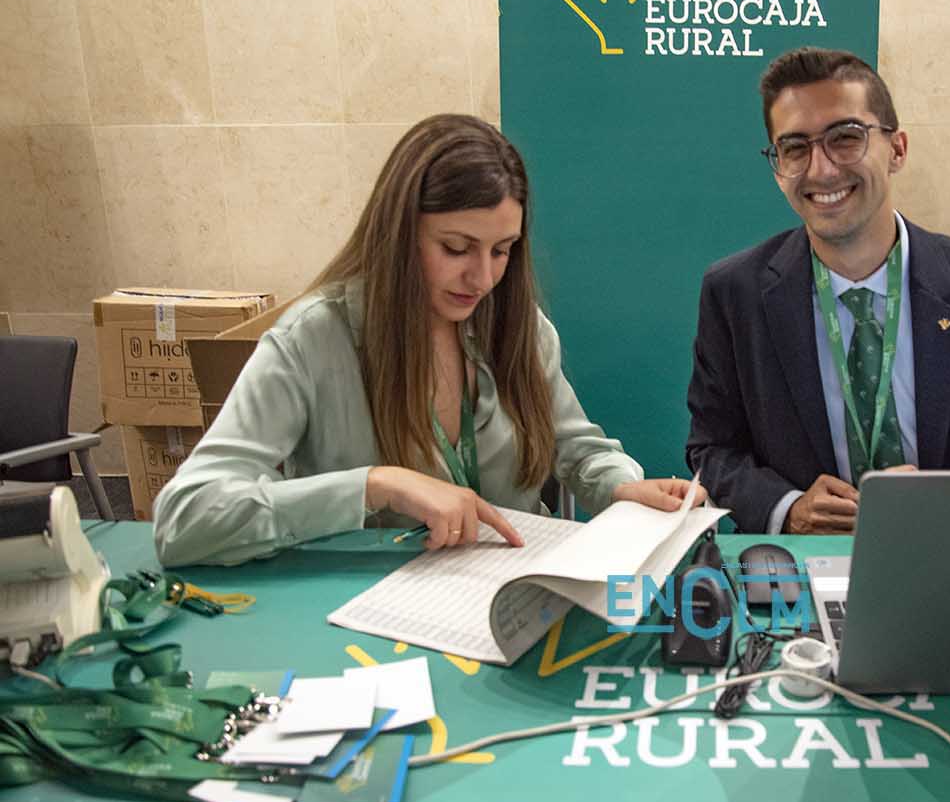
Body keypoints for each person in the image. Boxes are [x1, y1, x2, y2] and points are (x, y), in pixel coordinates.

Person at [155, 114, 699, 566]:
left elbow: (578, 449)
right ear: (399, 234)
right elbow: (184, 519)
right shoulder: (313, 339)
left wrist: (619, 485)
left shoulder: (519, 326)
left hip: (512, 596)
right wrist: (375, 485)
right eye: (456, 248)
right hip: (365, 615)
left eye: (502, 251)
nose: (482, 279)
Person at [685, 47, 950, 535]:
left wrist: (945, 506)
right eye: (796, 148)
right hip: (806, 563)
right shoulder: (734, 294)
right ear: (777, 166)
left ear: (897, 150)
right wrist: (788, 508)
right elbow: (713, 449)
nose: (822, 170)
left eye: (845, 138)